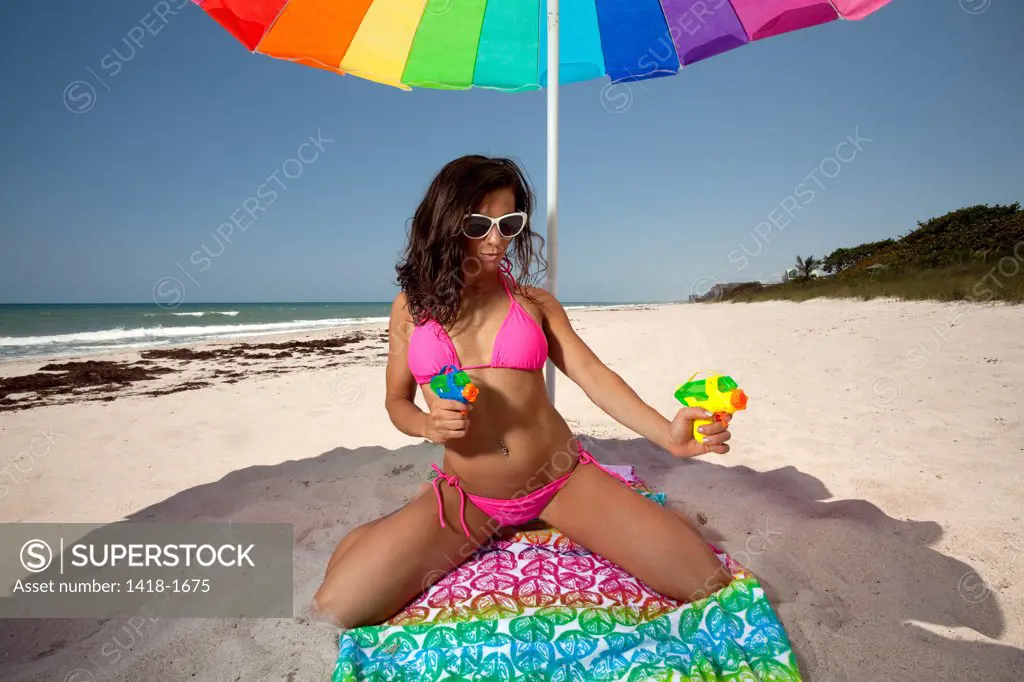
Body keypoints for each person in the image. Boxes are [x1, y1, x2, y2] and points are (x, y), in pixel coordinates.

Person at [313, 155, 734, 628]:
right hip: (469, 496)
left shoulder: (534, 303)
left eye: (509, 222)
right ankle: (405, 518)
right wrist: (427, 425)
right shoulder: (410, 309)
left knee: (706, 580)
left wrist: (667, 435)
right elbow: (396, 402)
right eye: (478, 224)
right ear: (446, 221)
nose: (496, 240)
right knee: (335, 607)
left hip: (558, 480)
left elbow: (593, 375)